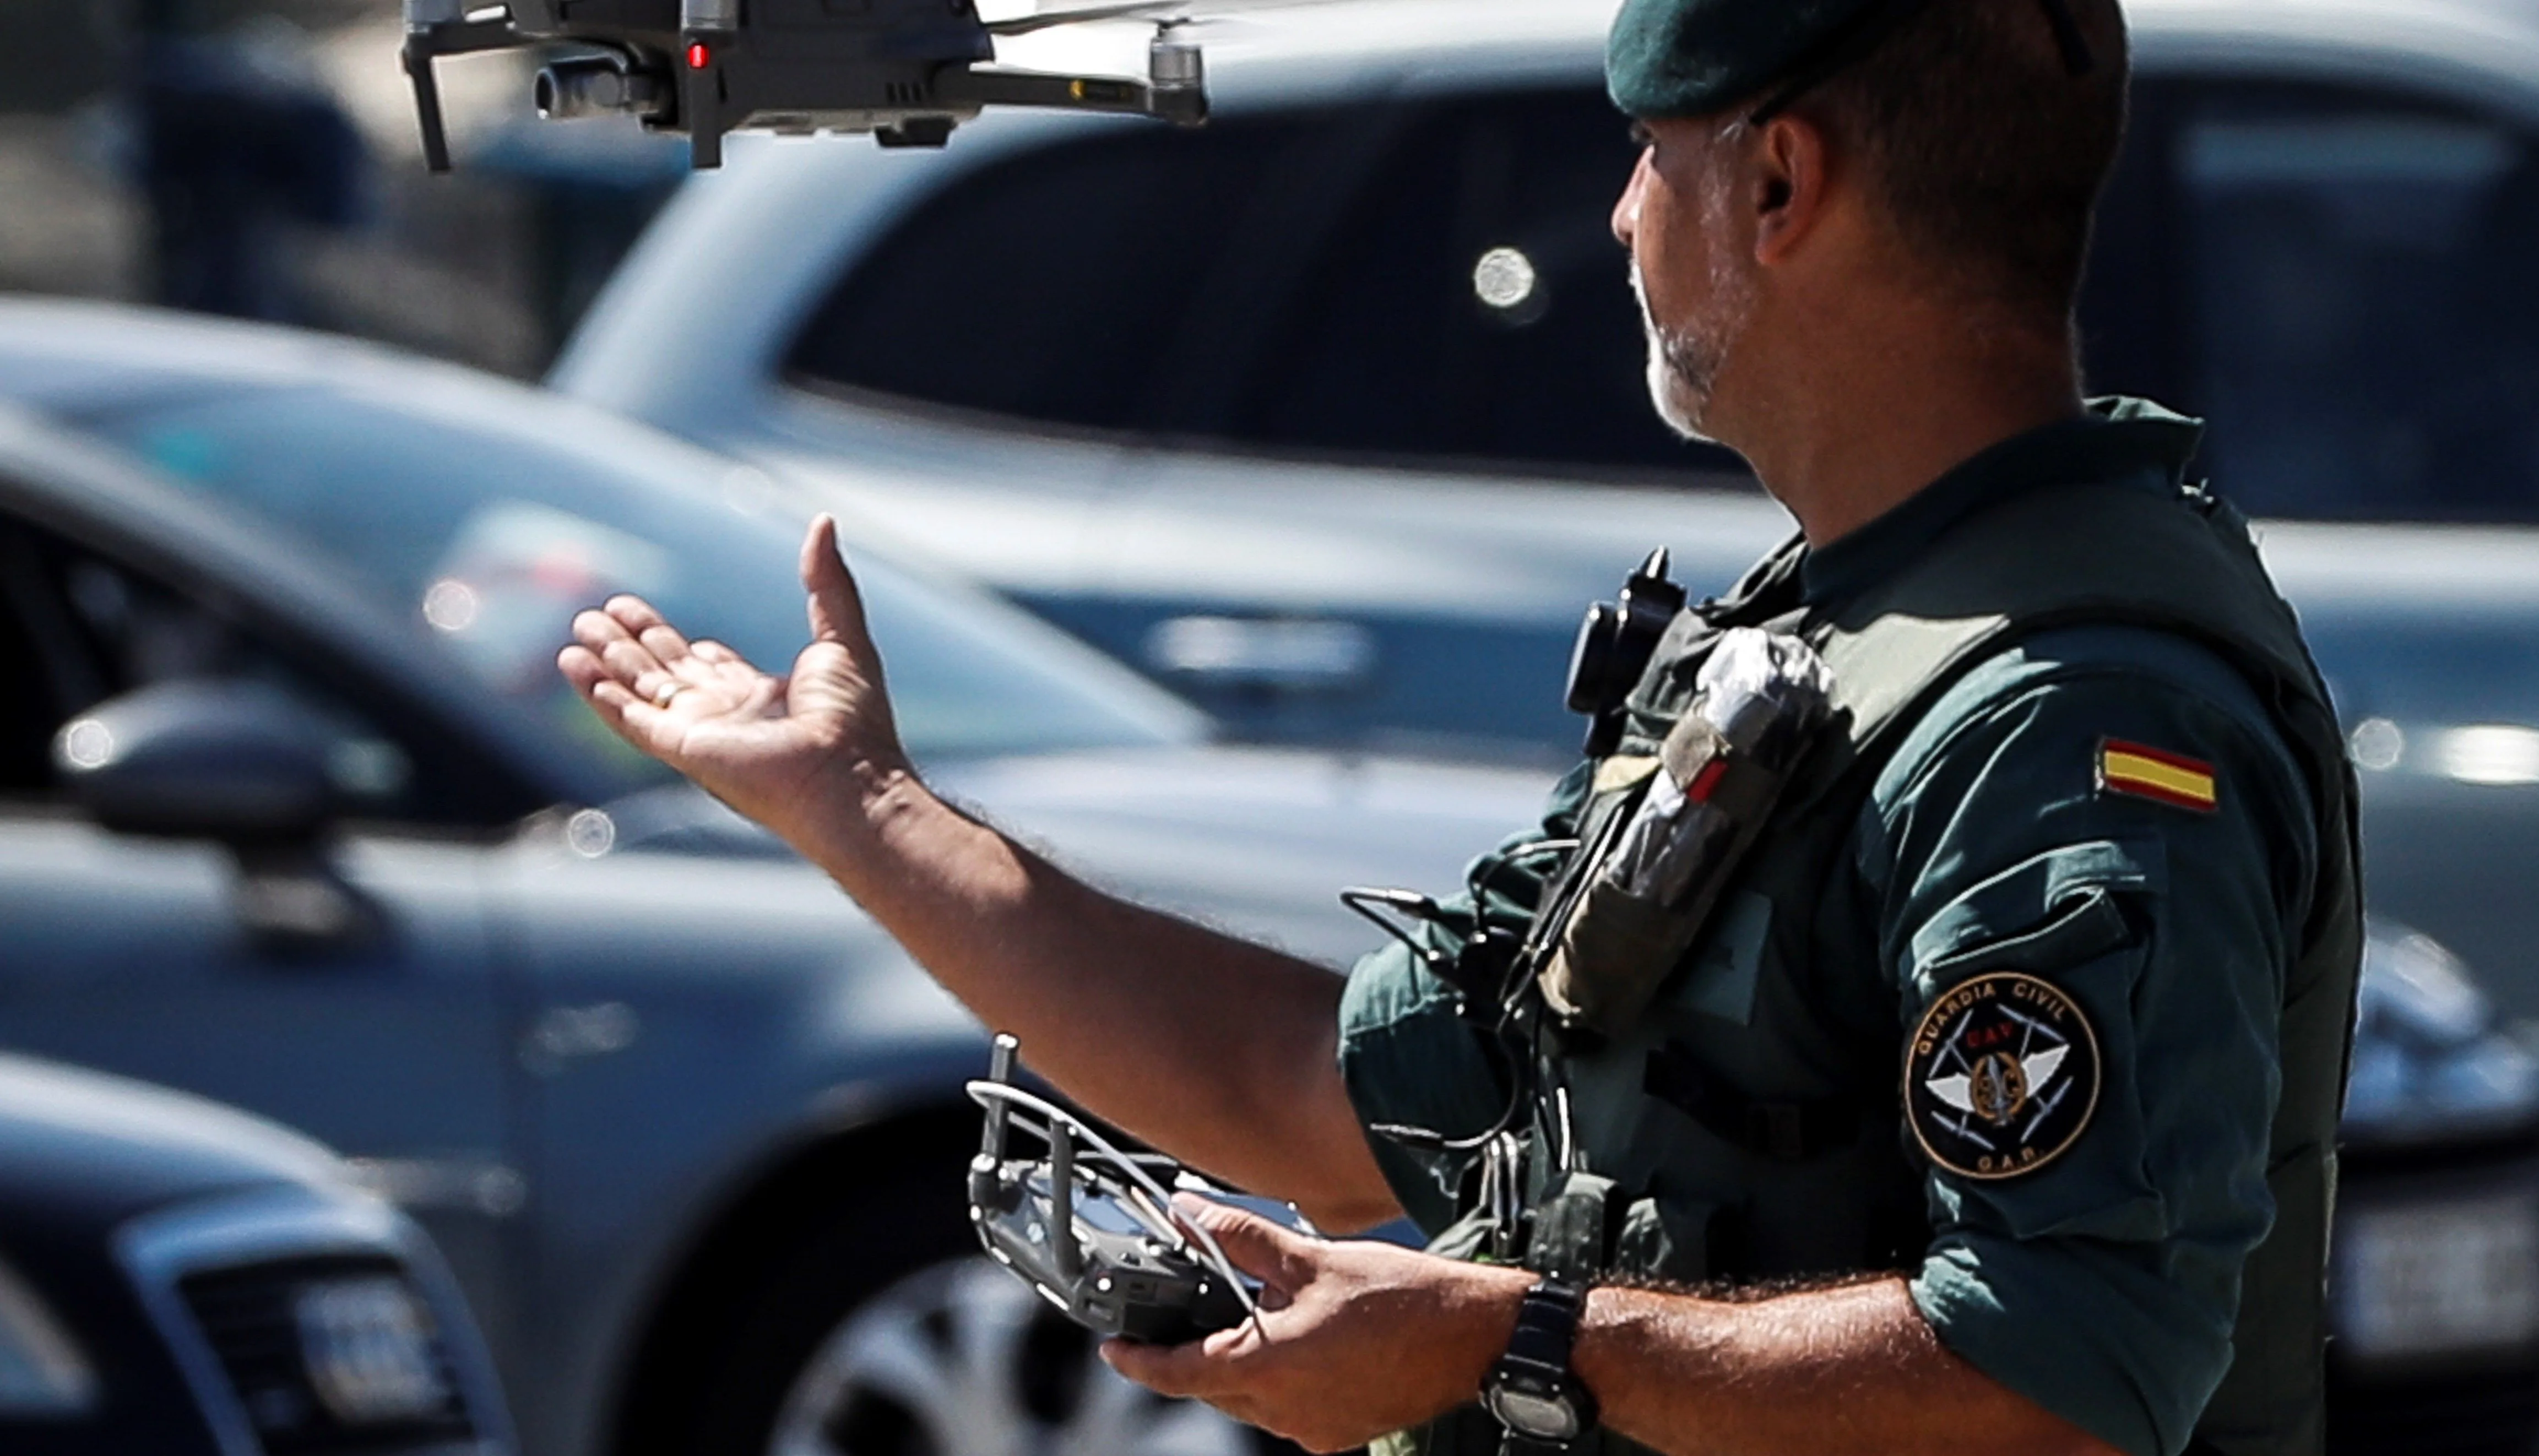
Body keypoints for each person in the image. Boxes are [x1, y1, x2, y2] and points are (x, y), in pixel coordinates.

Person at [557, 0, 2362, 1452]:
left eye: (1647, 159)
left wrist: (1505, 1340)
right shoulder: (1826, 635)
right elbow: (1316, 1100)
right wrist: (863, 807)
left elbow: (2064, 1369)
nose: (1617, 216)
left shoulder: (2064, 708)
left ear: (1779, 188)